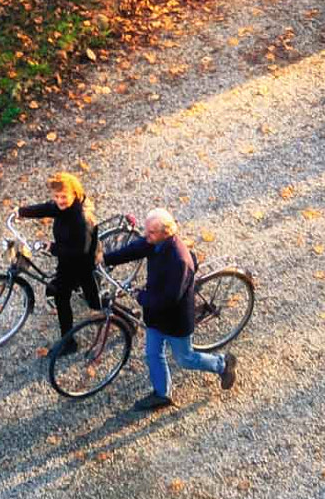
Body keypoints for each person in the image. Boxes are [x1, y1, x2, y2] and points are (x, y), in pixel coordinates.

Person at [102, 207, 237, 411]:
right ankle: (162, 394)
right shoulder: (155, 243)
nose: (146, 236)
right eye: (146, 231)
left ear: (167, 232)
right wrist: (106, 258)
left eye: (151, 233)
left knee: (185, 358)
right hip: (155, 316)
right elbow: (135, 249)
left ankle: (222, 364)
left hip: (175, 319)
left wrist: (141, 296)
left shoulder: (179, 260)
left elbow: (169, 299)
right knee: (153, 353)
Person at [17, 171, 101, 347]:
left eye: (64, 196)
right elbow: (46, 208)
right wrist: (21, 212)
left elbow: (79, 251)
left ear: (74, 194)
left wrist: (53, 248)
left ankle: (69, 343)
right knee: (87, 290)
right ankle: (96, 304)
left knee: (62, 297)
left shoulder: (80, 219)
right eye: (56, 196)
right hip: (68, 256)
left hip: (79, 261)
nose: (59, 200)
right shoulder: (63, 206)